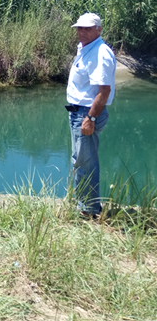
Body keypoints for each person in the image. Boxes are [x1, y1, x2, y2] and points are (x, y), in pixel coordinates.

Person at [65, 12, 116, 217]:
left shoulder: (100, 53)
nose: (82, 32)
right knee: (80, 160)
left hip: (87, 114)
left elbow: (105, 91)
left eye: (87, 28)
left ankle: (89, 210)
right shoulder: (86, 48)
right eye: (80, 28)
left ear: (99, 30)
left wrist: (91, 118)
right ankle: (83, 205)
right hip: (79, 113)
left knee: (86, 163)